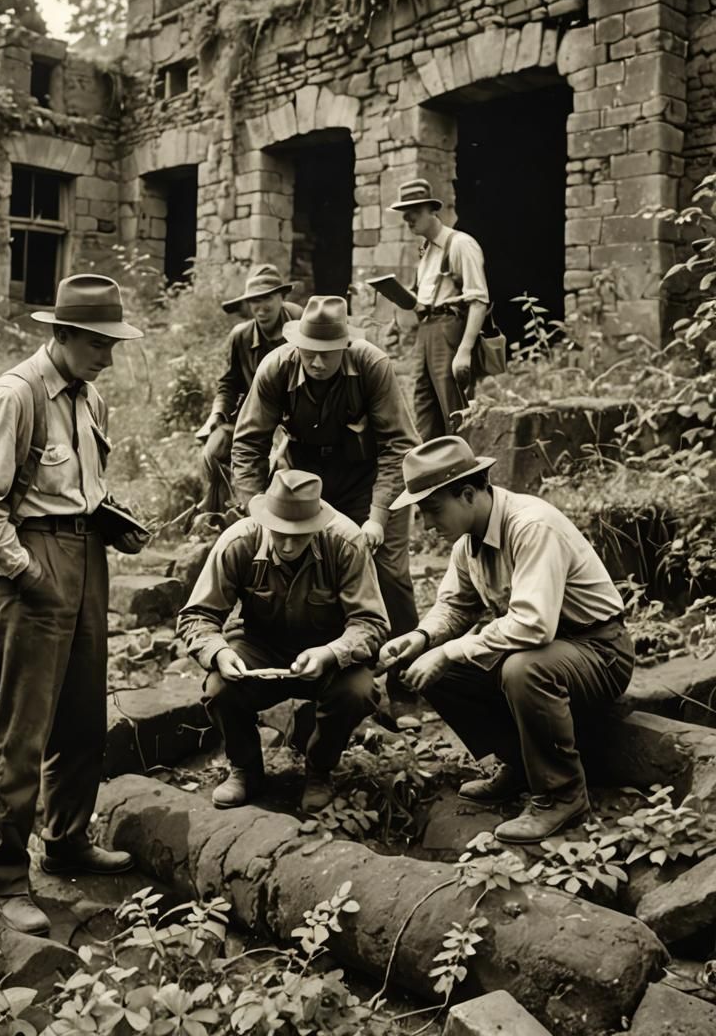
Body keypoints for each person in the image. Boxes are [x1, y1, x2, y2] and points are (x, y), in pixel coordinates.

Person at [0, 274, 143, 936]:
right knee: (20, 732)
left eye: (111, 344)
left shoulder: (89, 398)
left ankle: (66, 838)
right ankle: (6, 881)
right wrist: (25, 570)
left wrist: (111, 519)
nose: (108, 357)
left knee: (84, 719)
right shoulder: (13, 396)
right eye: (98, 344)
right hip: (30, 561)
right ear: (62, 335)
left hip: (85, 556)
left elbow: (80, 486)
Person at [377, 436, 634, 843]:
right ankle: (519, 766)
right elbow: (455, 607)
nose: (427, 524)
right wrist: (422, 637)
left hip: (598, 650)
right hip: (544, 651)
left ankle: (562, 794)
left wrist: (449, 649)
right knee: (434, 671)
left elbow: (534, 626)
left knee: (522, 668)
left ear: (466, 494)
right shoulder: (468, 543)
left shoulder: (530, 525)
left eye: (431, 509)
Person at [177, 469, 388, 812]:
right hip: (261, 648)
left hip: (330, 654)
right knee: (219, 688)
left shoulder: (347, 543)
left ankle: (320, 770)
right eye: (280, 534)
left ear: (318, 525)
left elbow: (371, 623)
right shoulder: (238, 542)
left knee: (360, 691)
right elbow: (196, 616)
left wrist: (331, 653)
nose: (288, 545)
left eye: (300, 535)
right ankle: (245, 769)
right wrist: (218, 652)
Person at [232, 294, 419, 637]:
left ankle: (403, 675)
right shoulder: (276, 367)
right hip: (302, 480)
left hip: (369, 478)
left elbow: (400, 446)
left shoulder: (372, 365)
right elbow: (248, 445)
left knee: (389, 573)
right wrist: (254, 510)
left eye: (327, 353)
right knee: (295, 565)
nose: (316, 362)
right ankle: (306, 668)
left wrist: (377, 517)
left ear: (345, 345)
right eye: (309, 351)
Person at [195, 264, 302, 516]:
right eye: (255, 300)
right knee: (213, 452)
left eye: (267, 298)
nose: (261, 307)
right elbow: (228, 385)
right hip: (252, 416)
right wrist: (217, 416)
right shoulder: (240, 337)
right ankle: (217, 514)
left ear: (281, 298)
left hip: (294, 418)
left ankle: (280, 517)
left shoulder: (299, 326)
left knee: (283, 463)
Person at [388, 179, 490, 441]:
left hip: (450, 330)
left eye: (414, 213)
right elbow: (425, 297)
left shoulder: (460, 244)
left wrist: (465, 351)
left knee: (454, 407)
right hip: (427, 331)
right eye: (405, 215)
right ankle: (431, 472)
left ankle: (464, 474)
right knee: (423, 405)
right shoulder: (426, 249)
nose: (409, 220)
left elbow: (478, 300)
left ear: (431, 210)